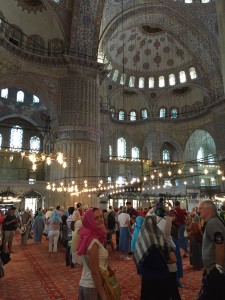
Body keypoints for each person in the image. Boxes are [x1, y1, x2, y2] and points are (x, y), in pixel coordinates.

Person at [133, 215, 175, 300]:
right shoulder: (162, 238)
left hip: (147, 276)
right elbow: (173, 259)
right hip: (162, 274)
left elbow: (136, 257)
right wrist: (162, 262)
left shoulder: (141, 239)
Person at [77, 208, 108, 300]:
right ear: (89, 221)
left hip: (88, 284)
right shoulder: (93, 241)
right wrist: (103, 295)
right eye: (96, 218)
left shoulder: (88, 236)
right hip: (93, 287)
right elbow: (94, 272)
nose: (101, 220)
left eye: (101, 216)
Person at [197, 200, 225, 300]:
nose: (198, 211)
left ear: (209, 209)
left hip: (216, 270)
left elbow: (220, 245)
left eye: (200, 208)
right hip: (212, 269)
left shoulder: (213, 223)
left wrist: (218, 267)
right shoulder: (211, 222)